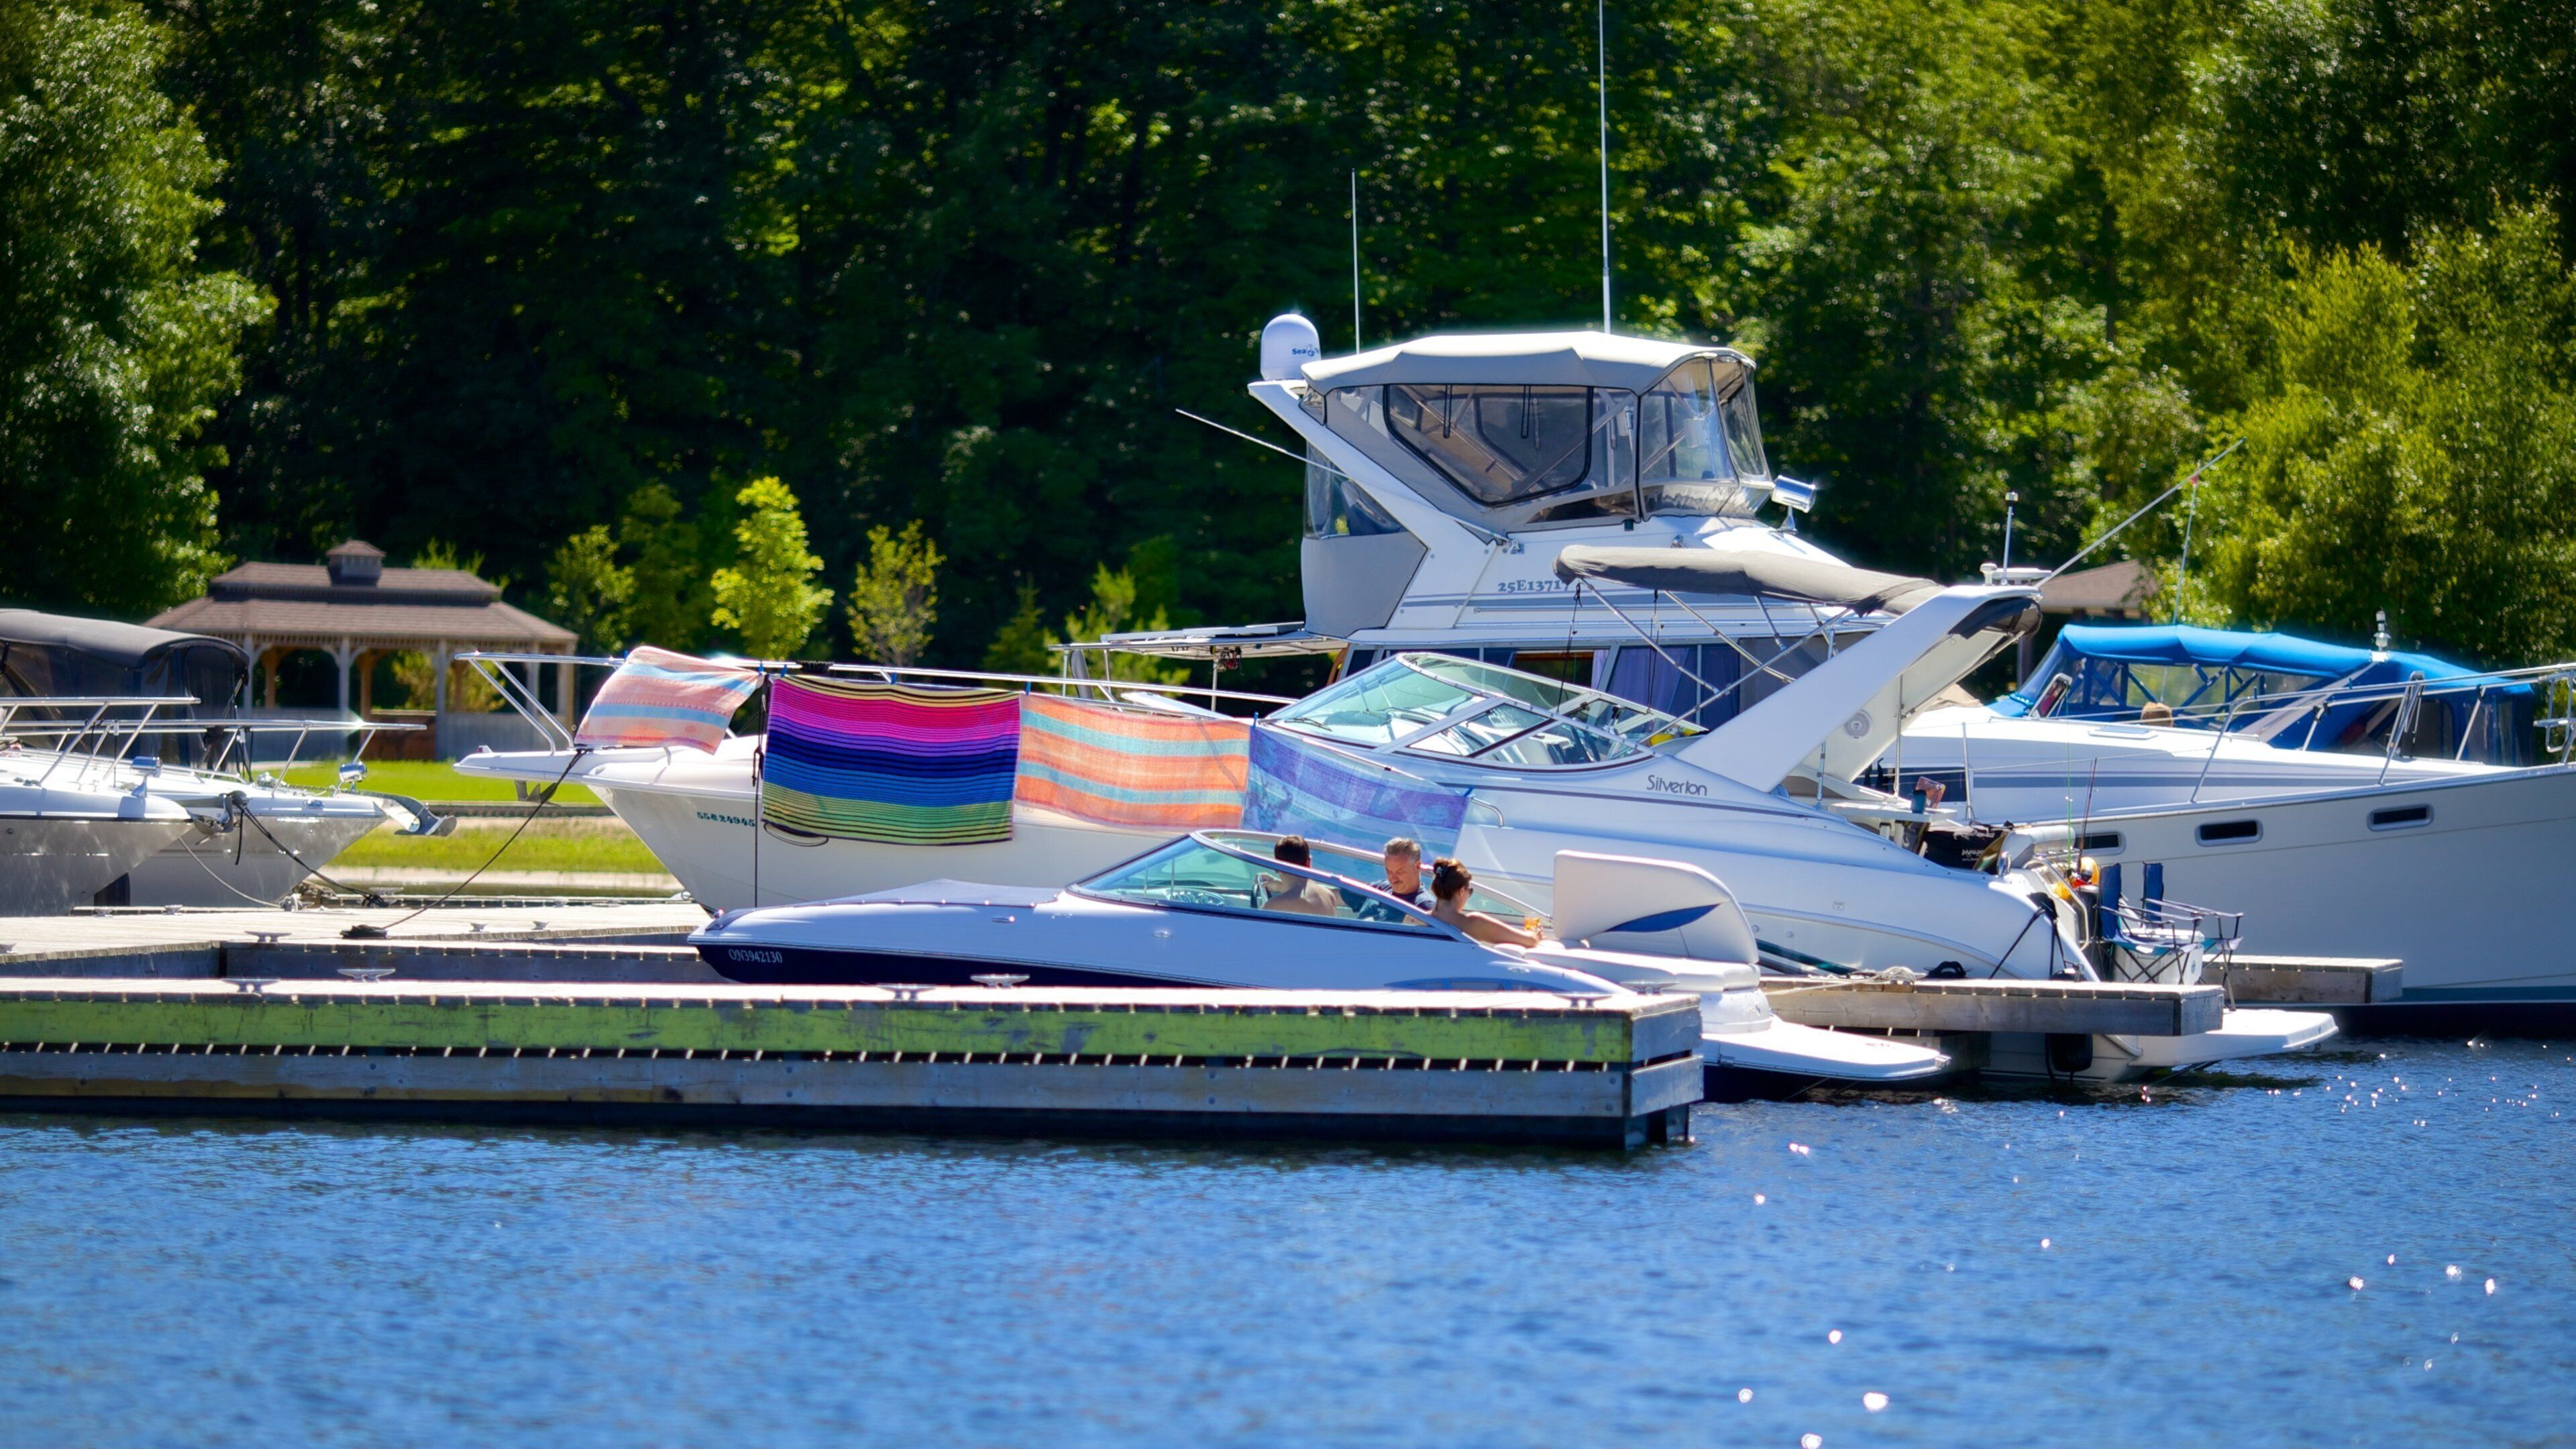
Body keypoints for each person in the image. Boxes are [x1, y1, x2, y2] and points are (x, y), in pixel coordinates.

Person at [1429, 857, 1539, 947]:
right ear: (1461, 891)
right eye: (1470, 891)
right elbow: (1529, 941)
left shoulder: (1419, 918)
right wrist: (1535, 934)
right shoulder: (1473, 924)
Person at [1261, 835, 1340, 916]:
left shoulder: (1273, 906)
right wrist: (1279, 886)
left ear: (1276, 867)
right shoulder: (1328, 896)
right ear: (1309, 863)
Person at [1375, 837, 1431, 909]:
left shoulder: (1423, 906)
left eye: (1400, 872)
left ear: (1417, 866)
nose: (1393, 879)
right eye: (1389, 871)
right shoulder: (1380, 887)